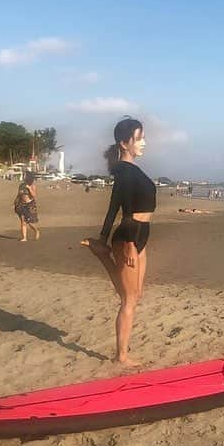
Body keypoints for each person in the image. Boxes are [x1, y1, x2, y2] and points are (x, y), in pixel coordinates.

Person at [81, 118, 155, 367]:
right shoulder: (125, 171)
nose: (144, 142)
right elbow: (123, 209)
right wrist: (131, 245)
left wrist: (103, 237)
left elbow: (113, 205)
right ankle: (121, 356)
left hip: (139, 233)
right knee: (128, 301)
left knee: (135, 295)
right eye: (139, 138)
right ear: (124, 143)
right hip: (130, 235)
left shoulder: (129, 170)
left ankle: (100, 251)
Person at [14, 170, 40, 242]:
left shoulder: (32, 185)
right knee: (23, 221)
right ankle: (24, 237)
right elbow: (19, 194)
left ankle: (36, 230)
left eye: (25, 175)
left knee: (29, 222)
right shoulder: (21, 185)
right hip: (22, 204)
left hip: (30, 205)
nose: (24, 177)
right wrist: (15, 201)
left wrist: (29, 188)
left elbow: (34, 196)